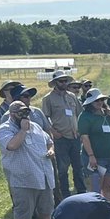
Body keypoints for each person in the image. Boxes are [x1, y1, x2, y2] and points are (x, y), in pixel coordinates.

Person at [0, 100, 56, 219]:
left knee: (46, 205)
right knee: (24, 208)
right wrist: (23, 130)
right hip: (23, 177)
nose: (25, 116)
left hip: (43, 173)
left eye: (27, 112)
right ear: (12, 115)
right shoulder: (5, 129)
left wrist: (51, 150)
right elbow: (12, 145)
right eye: (21, 113)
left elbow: (49, 140)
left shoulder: (35, 126)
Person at [41, 70, 85, 200]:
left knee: (78, 167)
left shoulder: (72, 96)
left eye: (66, 81)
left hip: (75, 137)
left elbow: (79, 113)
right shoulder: (48, 98)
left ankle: (81, 192)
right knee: (62, 169)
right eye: (61, 81)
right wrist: (54, 132)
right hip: (61, 139)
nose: (64, 83)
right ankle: (65, 196)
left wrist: (80, 129)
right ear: (55, 83)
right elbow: (45, 118)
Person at [78, 89, 110, 200]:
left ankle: (109, 212)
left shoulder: (108, 115)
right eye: (96, 100)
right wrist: (91, 156)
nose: (99, 102)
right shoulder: (85, 116)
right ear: (90, 102)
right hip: (96, 158)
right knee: (96, 190)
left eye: (101, 99)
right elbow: (84, 137)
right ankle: (96, 214)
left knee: (107, 188)